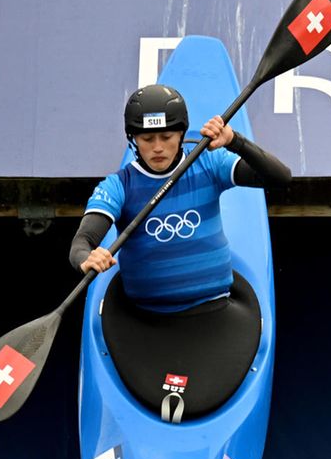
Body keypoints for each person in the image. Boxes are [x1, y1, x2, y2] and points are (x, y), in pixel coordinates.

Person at [69, 83, 292, 312]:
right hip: (146, 315)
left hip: (215, 307)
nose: (158, 147)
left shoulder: (209, 163)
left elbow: (280, 177)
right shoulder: (118, 186)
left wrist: (235, 140)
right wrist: (87, 258)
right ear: (133, 139)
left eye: (166, 137)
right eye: (147, 139)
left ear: (181, 133)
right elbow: (82, 242)